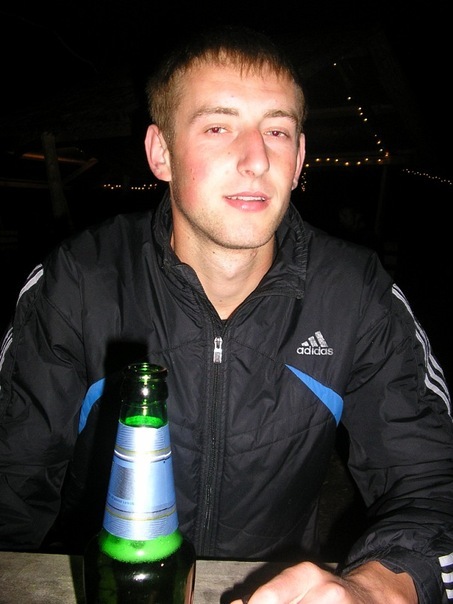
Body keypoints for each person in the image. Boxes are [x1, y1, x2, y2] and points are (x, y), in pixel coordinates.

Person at [0, 24, 452, 604]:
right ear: (161, 152)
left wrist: (375, 588)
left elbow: (433, 481)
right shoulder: (78, 282)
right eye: (218, 127)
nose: (255, 159)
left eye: (277, 131)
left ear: (300, 158)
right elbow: (10, 483)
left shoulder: (356, 294)